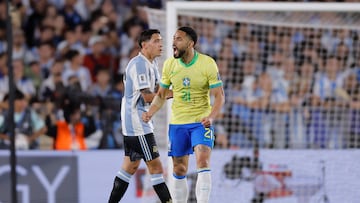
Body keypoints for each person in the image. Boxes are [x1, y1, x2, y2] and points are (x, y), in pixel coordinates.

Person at [142, 26, 225, 203]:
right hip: (178, 123)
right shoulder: (170, 64)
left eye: (178, 39)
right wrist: (150, 112)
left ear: (190, 43)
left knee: (202, 160)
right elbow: (162, 95)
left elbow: (219, 96)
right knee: (179, 169)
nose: (173, 42)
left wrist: (211, 116)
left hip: (200, 122)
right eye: (173, 39)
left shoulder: (207, 63)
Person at [108, 29, 172, 203]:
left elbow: (160, 91)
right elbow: (148, 97)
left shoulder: (152, 64)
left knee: (130, 167)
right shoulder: (139, 65)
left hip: (138, 122)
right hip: (137, 123)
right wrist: (178, 93)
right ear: (144, 45)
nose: (161, 44)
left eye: (161, 40)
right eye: (156, 41)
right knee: (156, 168)